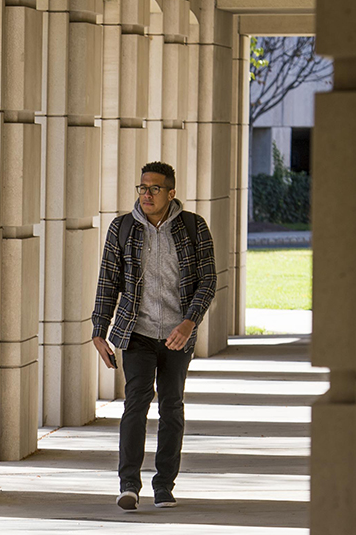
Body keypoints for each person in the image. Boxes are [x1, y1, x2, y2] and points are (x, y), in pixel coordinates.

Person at [91, 161, 217, 510]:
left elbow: (208, 280)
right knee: (135, 404)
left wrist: (190, 322)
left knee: (172, 407)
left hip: (178, 334)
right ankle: (129, 484)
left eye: (154, 188)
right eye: (142, 188)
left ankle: (164, 486)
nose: (146, 194)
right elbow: (108, 282)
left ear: (171, 193)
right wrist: (99, 330)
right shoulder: (123, 228)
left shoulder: (193, 228)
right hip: (137, 332)